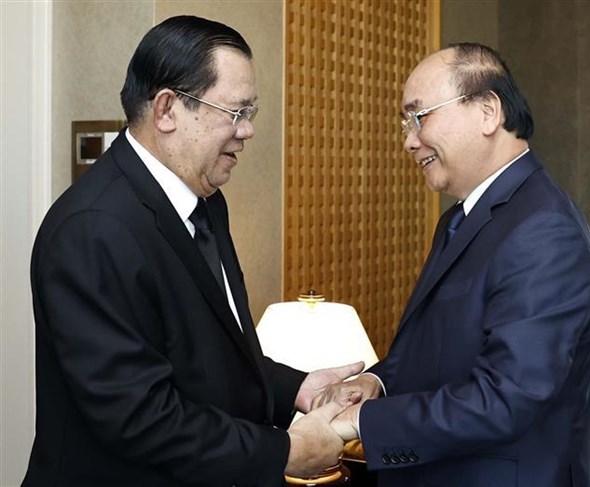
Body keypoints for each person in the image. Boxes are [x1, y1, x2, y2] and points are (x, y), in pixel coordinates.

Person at [22, 15, 363, 487]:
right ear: (166, 110)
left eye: (252, 113)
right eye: (236, 112)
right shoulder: (94, 230)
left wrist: (296, 389)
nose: (247, 132)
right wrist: (283, 451)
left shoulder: (203, 200)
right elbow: (141, 418)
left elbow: (203, 357)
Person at [320, 42, 590, 487]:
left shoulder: (543, 228)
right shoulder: (461, 217)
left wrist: (360, 423)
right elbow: (435, 351)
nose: (409, 139)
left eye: (420, 116)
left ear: (488, 110)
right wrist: (378, 382)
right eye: (405, 122)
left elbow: (507, 396)